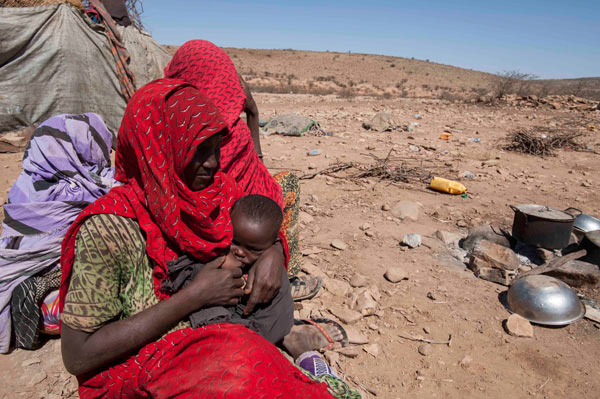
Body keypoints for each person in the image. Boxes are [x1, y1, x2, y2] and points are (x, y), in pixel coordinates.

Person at [58, 79, 359, 398]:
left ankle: (286, 351)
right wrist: (193, 298)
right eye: (198, 150)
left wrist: (272, 252)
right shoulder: (110, 227)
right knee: (244, 365)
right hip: (143, 366)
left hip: (219, 337)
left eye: (216, 148)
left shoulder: (217, 194)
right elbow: (78, 355)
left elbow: (259, 224)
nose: (214, 162)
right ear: (160, 147)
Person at [164, 40, 321, 301]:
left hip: (205, 232)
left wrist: (251, 117)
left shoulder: (166, 120)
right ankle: (284, 275)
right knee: (286, 186)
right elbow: (258, 173)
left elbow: (253, 168)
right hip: (229, 236)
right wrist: (253, 115)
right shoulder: (230, 133)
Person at [0, 113, 117, 353]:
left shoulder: (25, 184)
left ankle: (31, 300)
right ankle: (48, 298)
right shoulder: (90, 184)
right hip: (62, 267)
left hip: (12, 269)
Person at [161, 194, 294, 344]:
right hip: (215, 332)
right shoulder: (208, 258)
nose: (240, 252)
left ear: (272, 245)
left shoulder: (272, 273)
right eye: (234, 242)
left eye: (254, 249)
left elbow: (278, 321)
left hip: (254, 340)